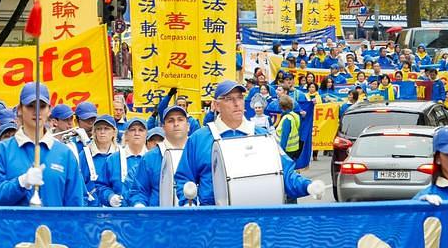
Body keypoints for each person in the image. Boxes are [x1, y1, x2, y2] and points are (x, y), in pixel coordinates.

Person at [174, 80, 324, 206]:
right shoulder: (199, 139)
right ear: (216, 105)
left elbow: (284, 173)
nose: (236, 103)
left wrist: (308, 186)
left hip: (257, 218)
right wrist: (189, 204)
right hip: (214, 222)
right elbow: (184, 178)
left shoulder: (263, 136)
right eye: (229, 99)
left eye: (240, 98)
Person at [0, 82, 86, 207]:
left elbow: (75, 205)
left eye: (42, 106)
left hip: (53, 221)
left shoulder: (65, 154)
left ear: (49, 110)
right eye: (30, 106)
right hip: (14, 221)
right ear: (19, 110)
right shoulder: (1, 151)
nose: (37, 111)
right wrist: (20, 183)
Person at [126, 104, 190, 207]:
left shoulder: (198, 153)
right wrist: (139, 205)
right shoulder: (150, 158)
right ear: (163, 128)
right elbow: (139, 191)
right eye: (170, 121)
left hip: (195, 215)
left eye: (180, 119)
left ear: (188, 126)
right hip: (159, 216)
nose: (176, 124)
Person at [95, 118, 147, 207]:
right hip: (119, 213)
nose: (137, 133)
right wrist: (110, 197)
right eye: (132, 130)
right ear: (126, 134)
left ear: (146, 134)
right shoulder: (112, 159)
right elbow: (101, 186)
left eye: (141, 130)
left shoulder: (152, 159)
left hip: (148, 212)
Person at [78, 114, 118, 206]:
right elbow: (79, 184)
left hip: (117, 208)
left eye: (106, 128)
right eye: (99, 129)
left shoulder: (121, 154)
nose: (102, 132)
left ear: (114, 132)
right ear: (94, 132)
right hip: (91, 209)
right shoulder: (84, 155)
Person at [275, 95, 302, 162]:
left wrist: (282, 150)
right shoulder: (296, 115)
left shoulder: (287, 118)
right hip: (295, 147)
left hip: (287, 148)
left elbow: (285, 135)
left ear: (282, 107)